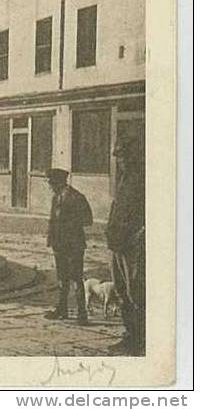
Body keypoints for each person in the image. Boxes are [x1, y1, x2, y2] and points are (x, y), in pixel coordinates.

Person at [107, 135, 146, 355]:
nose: (119, 160)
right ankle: (129, 335)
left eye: (122, 155)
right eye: (118, 156)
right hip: (117, 244)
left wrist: (138, 235)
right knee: (121, 292)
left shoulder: (142, 179)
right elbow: (116, 207)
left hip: (133, 244)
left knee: (136, 293)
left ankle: (140, 340)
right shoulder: (124, 178)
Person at [44, 168, 93, 325]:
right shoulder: (56, 198)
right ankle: (62, 309)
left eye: (51, 183)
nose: (50, 186)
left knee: (76, 278)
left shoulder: (77, 198)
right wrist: (50, 238)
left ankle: (82, 314)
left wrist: (69, 225)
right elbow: (53, 220)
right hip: (59, 245)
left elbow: (88, 219)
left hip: (74, 245)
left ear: (59, 182)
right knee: (62, 278)